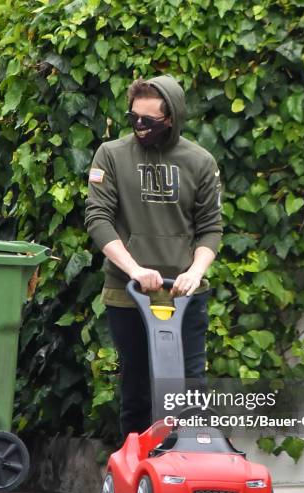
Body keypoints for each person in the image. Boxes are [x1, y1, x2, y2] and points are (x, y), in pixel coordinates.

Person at [84, 74, 222, 440]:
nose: (140, 127)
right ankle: (135, 473)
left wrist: (195, 271)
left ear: (172, 118)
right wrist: (133, 269)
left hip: (184, 294)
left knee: (190, 387)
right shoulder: (111, 155)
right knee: (138, 390)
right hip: (128, 294)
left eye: (150, 121)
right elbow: (98, 219)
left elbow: (211, 227)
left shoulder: (200, 161)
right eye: (134, 119)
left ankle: (189, 466)